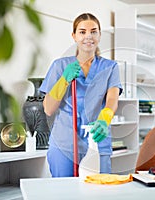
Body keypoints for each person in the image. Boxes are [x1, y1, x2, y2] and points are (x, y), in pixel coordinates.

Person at [39, 13, 122, 177]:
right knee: (65, 193)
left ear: (99, 35)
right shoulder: (60, 65)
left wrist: (104, 118)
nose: (88, 36)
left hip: (97, 140)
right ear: (74, 36)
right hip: (65, 143)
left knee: (100, 192)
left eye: (93, 31)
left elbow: (112, 99)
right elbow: (48, 108)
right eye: (82, 32)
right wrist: (64, 79)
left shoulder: (110, 67)